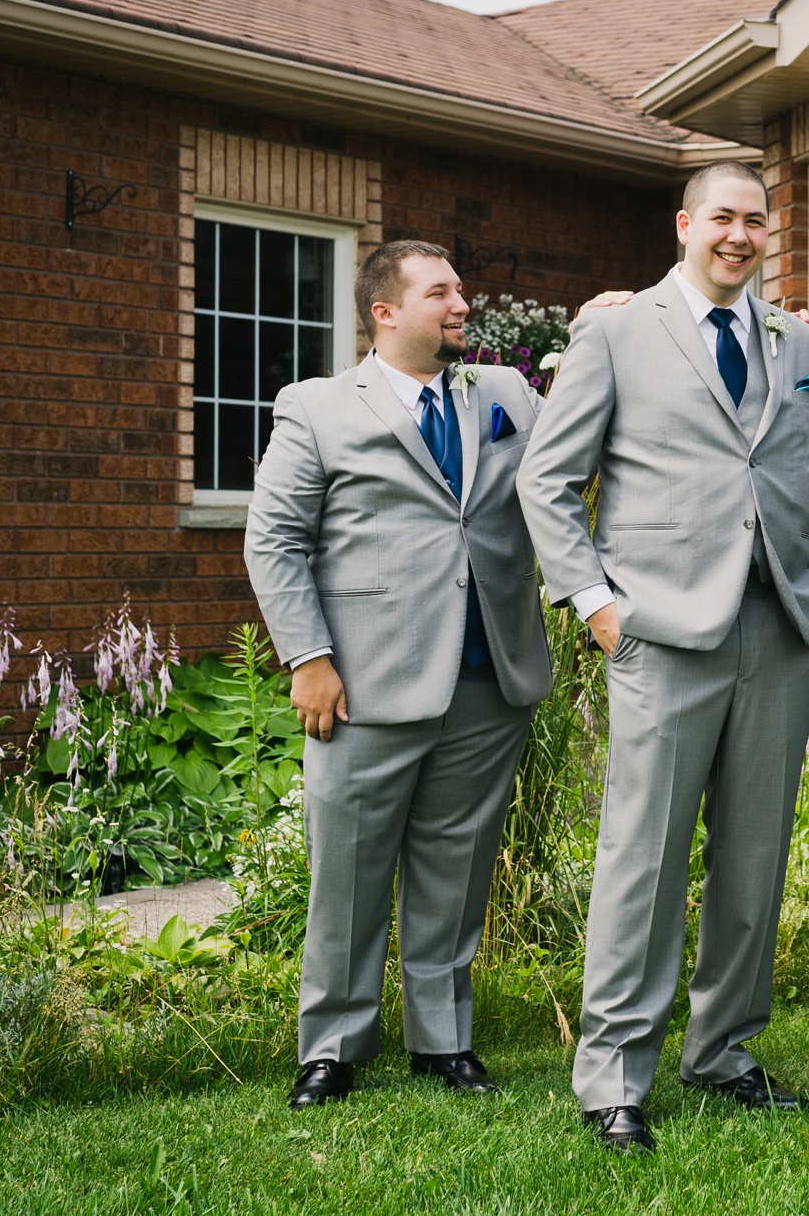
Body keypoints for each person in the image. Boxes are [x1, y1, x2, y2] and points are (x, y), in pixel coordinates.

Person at [517, 161, 809, 1153]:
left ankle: (724, 1051)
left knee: (752, 857)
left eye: (754, 220)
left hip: (778, 634)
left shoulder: (800, 346)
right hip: (658, 633)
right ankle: (614, 1075)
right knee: (644, 859)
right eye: (721, 217)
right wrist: (594, 602)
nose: (738, 235)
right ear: (683, 223)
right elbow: (548, 479)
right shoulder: (616, 332)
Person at [244, 241, 553, 1109]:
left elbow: (577, 451)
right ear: (385, 311)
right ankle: (332, 1047)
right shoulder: (315, 407)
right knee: (348, 871)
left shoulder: (506, 396)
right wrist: (308, 657)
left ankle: (442, 1040)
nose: (463, 303)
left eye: (460, 289)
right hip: (362, 683)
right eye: (441, 292)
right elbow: (272, 540)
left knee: (456, 870)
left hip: (487, 675)